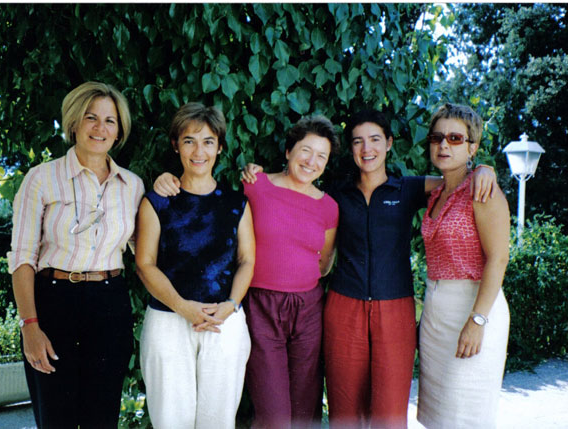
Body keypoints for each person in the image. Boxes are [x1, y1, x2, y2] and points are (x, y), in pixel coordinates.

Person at [240, 109, 497, 428]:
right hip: (343, 307)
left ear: (389, 143)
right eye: (358, 141)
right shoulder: (334, 194)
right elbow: (306, 218)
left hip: (395, 309)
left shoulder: (409, 188)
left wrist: (483, 169)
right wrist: (254, 173)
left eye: (375, 139)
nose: (367, 148)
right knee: (345, 411)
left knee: (388, 416)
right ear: (350, 149)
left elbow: (454, 179)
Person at [154, 115, 339, 428]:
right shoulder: (256, 185)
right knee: (274, 412)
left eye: (322, 156)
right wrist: (164, 179)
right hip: (262, 304)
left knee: (306, 405)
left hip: (308, 307)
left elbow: (323, 261)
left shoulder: (328, 206)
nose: (312, 161)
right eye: (305, 151)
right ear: (288, 151)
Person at [8, 81, 144, 428]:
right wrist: (30, 327)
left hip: (109, 304)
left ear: (120, 130)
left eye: (110, 120)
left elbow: (147, 254)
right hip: (54, 304)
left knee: (102, 418)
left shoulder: (133, 186)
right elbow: (22, 258)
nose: (100, 128)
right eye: (91, 118)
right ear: (73, 123)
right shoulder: (41, 179)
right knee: (57, 419)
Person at [136, 102, 255, 429]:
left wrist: (231, 305)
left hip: (224, 321)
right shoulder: (157, 201)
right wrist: (181, 307)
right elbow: (145, 264)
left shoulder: (236, 203)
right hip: (167, 320)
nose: (198, 150)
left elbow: (247, 260)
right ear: (176, 145)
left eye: (207, 141)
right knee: (171, 419)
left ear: (219, 147)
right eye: (189, 140)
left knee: (218, 421)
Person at [417, 103, 510, 428]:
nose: (444, 145)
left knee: (465, 414)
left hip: (474, 309)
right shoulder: (436, 191)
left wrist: (478, 320)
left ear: (472, 147)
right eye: (437, 137)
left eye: (456, 138)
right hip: (436, 313)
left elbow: (498, 258)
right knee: (439, 414)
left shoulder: (482, 191)